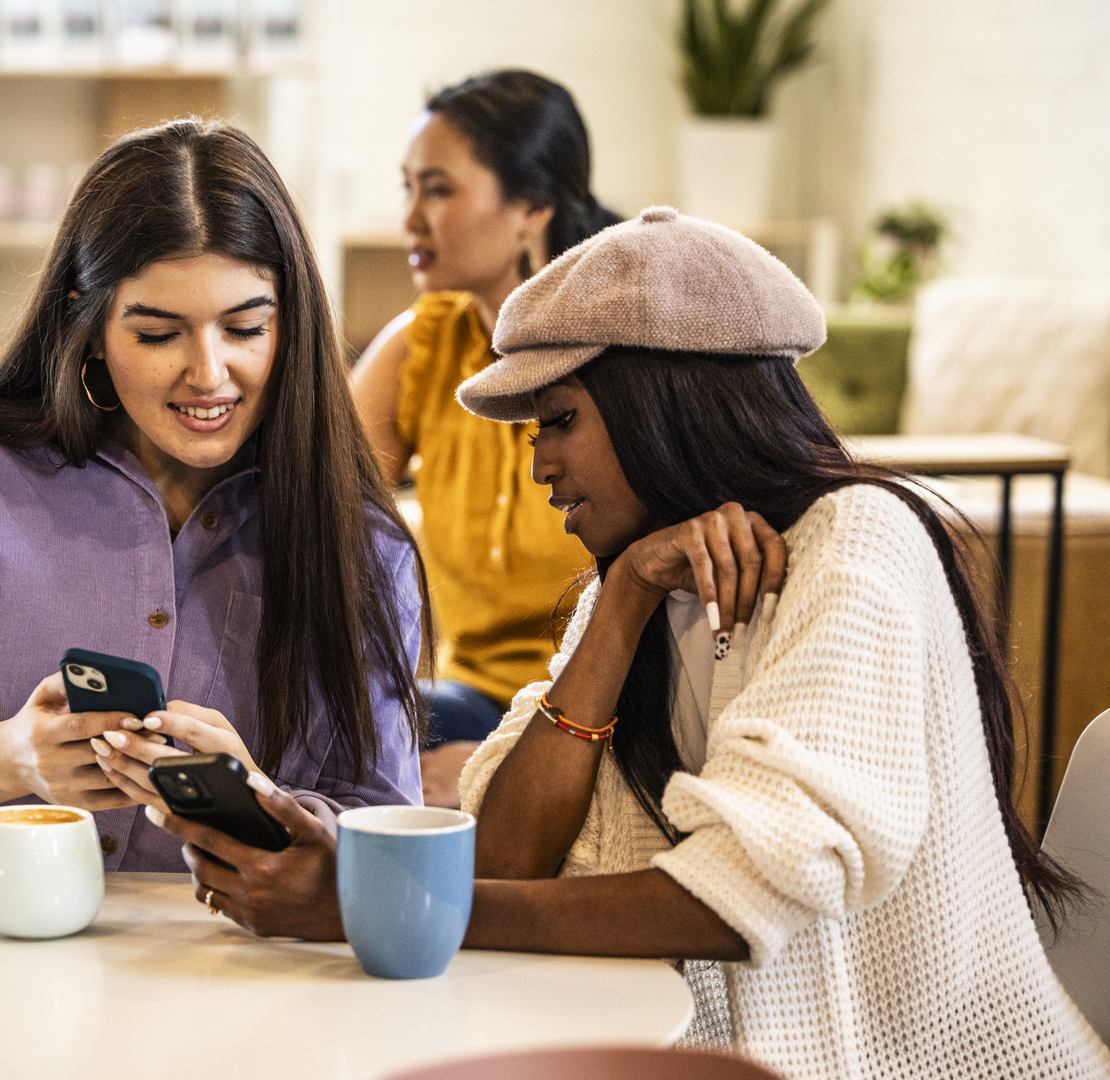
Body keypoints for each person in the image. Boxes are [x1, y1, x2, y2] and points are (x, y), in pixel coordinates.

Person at [129, 208, 1110, 1077]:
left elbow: (734, 903)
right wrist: (623, 604)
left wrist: (363, 904)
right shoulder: (648, 571)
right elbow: (510, 857)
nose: (539, 462)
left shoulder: (854, 546)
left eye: (559, 420)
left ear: (666, 405)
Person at [0, 119, 427, 893]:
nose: (210, 373)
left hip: (201, 978)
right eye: (159, 333)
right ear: (90, 322)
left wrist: (255, 804)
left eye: (245, 327)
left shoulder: (360, 546)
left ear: (289, 322)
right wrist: (6, 756)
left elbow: (384, 839)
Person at [347, 70, 617, 803]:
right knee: (346, 723)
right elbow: (315, 493)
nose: (410, 218)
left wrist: (501, 759)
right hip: (467, 699)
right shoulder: (427, 343)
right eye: (408, 188)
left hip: (612, 705)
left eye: (437, 190)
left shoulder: (624, 347)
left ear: (531, 204)